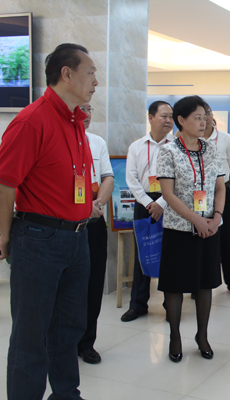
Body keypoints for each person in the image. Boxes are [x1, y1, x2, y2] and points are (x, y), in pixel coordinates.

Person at [0, 43, 97, 400]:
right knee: (31, 334)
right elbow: (4, 183)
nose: (96, 81)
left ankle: (66, 395)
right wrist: (4, 236)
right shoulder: (31, 121)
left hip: (77, 239)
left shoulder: (75, 122)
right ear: (66, 74)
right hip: (39, 239)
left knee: (68, 329)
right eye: (90, 73)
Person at [156, 95, 225, 362]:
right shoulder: (169, 151)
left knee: (205, 283)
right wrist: (195, 219)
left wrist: (216, 217)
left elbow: (220, 188)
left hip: (209, 228)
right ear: (181, 121)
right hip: (179, 229)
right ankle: (175, 336)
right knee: (175, 285)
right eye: (197, 117)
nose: (203, 122)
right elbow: (168, 194)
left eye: (205, 117)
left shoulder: (211, 149)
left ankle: (202, 335)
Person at [121, 101, 175, 322]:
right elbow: (131, 178)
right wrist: (147, 203)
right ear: (150, 118)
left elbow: (180, 178)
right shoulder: (137, 146)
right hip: (144, 204)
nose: (168, 120)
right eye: (164, 116)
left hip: (171, 202)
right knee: (142, 253)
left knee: (170, 254)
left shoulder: (177, 145)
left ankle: (171, 305)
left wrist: (162, 202)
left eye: (171, 116)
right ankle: (138, 304)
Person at [78, 102, 114, 364]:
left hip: (94, 219)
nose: (86, 114)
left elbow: (107, 178)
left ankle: (87, 342)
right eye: (82, 108)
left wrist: (97, 204)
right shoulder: (57, 138)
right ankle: (63, 342)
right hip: (67, 221)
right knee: (68, 287)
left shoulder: (97, 142)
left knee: (93, 284)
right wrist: (81, 206)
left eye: (90, 109)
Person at [202, 102, 230, 296]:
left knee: (225, 236)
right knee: (200, 236)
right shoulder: (190, 139)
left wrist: (225, 187)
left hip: (222, 192)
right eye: (199, 115)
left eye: (207, 113)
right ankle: (201, 282)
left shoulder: (226, 139)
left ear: (212, 116)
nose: (204, 118)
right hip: (199, 195)